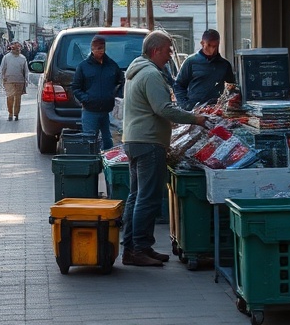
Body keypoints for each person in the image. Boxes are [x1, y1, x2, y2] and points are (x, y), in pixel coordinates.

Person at [122, 31, 208, 267]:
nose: (170, 55)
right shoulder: (150, 74)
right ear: (156, 50)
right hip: (148, 142)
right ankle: (139, 248)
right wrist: (195, 119)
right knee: (147, 198)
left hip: (135, 140)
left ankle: (133, 248)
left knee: (136, 196)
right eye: (168, 50)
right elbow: (164, 109)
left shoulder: (137, 70)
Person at [71, 35, 124, 150]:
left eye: (103, 47)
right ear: (92, 49)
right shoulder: (83, 67)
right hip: (90, 111)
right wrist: (86, 98)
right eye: (99, 48)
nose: (101, 51)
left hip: (108, 112)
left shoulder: (112, 65)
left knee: (109, 142)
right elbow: (75, 87)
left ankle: (106, 160)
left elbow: (122, 82)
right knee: (89, 141)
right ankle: (91, 160)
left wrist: (117, 96)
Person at [173, 29, 235, 110]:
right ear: (202, 43)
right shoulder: (190, 62)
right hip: (194, 110)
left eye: (215, 46)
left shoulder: (225, 65)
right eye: (209, 45)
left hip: (217, 111)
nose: (212, 50)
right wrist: (185, 105)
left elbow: (232, 89)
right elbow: (178, 85)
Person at [0, 41, 29, 120]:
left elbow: (26, 71)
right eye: (16, 48)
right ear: (12, 49)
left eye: (18, 48)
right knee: (10, 97)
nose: (17, 50)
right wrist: (2, 79)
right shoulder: (6, 57)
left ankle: (16, 114)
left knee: (18, 99)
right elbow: (2, 69)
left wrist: (26, 81)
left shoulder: (23, 58)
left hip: (19, 81)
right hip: (9, 81)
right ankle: (10, 113)